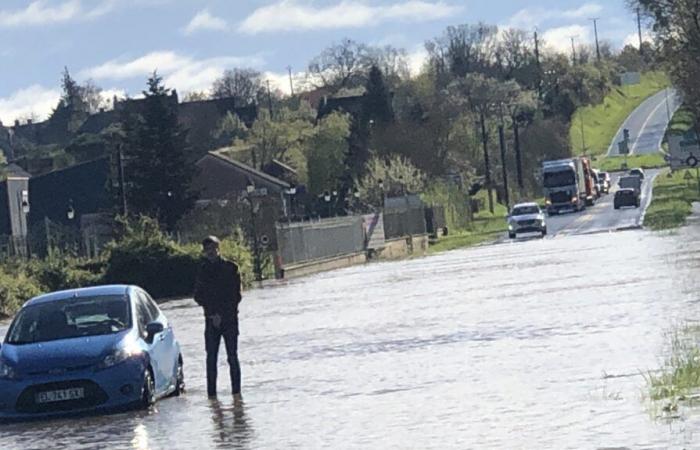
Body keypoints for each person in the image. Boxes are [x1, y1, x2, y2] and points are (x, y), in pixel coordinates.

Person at [194, 235, 243, 402]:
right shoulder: (202, 270)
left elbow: (236, 296)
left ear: (218, 249)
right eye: (207, 249)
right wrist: (212, 314)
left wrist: (221, 315)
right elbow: (198, 296)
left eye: (213, 248)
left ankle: (237, 395)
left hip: (229, 320)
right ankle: (212, 397)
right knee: (211, 359)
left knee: (232, 357)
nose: (211, 252)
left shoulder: (231, 268)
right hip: (210, 320)